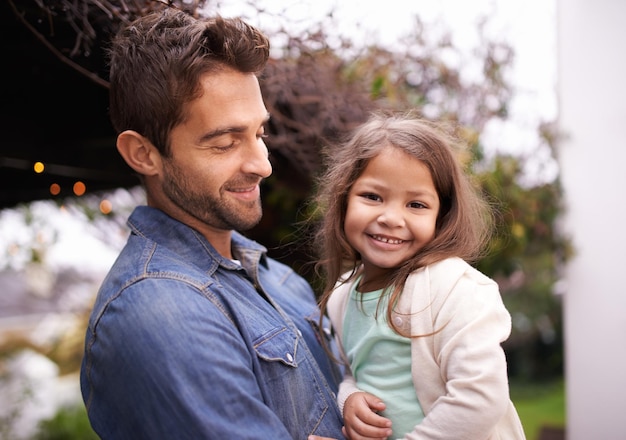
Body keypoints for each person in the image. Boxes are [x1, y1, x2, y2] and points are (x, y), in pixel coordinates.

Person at [79, 8, 345, 440]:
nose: (263, 165)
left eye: (260, 133)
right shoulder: (158, 312)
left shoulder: (278, 279)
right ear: (143, 154)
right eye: (225, 142)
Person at [313, 111, 526, 439]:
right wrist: (349, 398)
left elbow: (480, 398)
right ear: (343, 200)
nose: (391, 218)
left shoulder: (456, 288)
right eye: (372, 196)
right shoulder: (344, 296)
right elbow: (354, 372)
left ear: (442, 217)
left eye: (416, 205)